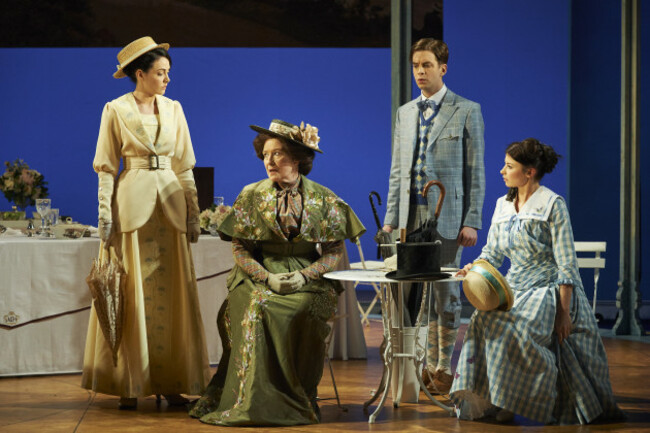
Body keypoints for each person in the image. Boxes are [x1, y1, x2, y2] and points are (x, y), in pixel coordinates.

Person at [189, 119, 365, 426]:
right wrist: (265, 277)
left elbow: (334, 249)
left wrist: (304, 276)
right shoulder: (251, 194)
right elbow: (240, 247)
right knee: (259, 305)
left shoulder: (323, 197)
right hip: (259, 272)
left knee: (304, 310)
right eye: (266, 154)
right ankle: (252, 402)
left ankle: (297, 399)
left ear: (297, 158)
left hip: (307, 275)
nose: (269, 161)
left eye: (278, 154)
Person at [451, 138, 623, 424]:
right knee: (483, 321)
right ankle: (497, 399)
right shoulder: (502, 206)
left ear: (529, 172)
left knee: (518, 327)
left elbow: (566, 263)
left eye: (509, 166)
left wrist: (564, 311)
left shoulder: (552, 205)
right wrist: (475, 267)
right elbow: (492, 252)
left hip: (547, 288)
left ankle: (524, 400)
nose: (502, 171)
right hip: (513, 287)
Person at [81, 36, 211, 409]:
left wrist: (193, 212)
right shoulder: (116, 109)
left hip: (169, 206)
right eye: (160, 73)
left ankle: (171, 380)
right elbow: (106, 167)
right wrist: (105, 213)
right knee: (130, 292)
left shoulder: (174, 109)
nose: (167, 79)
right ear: (140, 74)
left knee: (172, 296)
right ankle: (129, 381)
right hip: (133, 207)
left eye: (168, 73)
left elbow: (184, 165)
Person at [381, 38, 485, 394]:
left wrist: (472, 220)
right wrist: (391, 218)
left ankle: (444, 368)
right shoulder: (405, 112)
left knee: (445, 296)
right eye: (415, 66)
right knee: (415, 296)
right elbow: (398, 170)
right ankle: (422, 364)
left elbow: (476, 171)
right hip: (412, 216)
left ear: (443, 68)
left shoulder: (466, 109)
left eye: (427, 65)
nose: (420, 72)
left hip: (448, 215)